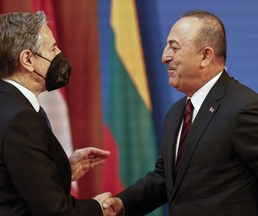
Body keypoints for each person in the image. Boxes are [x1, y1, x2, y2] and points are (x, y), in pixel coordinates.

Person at [102, 10, 258, 216]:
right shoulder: (177, 113)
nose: (164, 57)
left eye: (174, 48)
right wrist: (122, 203)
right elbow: (164, 178)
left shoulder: (244, 107)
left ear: (205, 56)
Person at [0, 11, 112, 216]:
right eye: (53, 48)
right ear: (27, 59)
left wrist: (64, 169)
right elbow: (54, 211)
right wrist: (98, 208)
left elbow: (12, 184)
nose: (59, 54)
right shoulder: (21, 119)